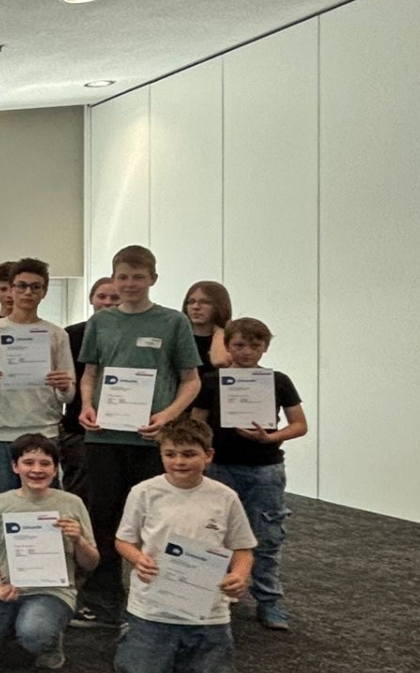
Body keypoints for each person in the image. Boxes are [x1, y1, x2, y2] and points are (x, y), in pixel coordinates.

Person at [76, 245, 202, 626]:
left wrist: (167, 416)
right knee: (104, 519)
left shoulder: (173, 322)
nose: (130, 284)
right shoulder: (101, 322)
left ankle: (162, 601)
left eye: (138, 277)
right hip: (104, 439)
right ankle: (102, 601)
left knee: (158, 521)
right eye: (123, 277)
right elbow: (91, 375)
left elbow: (191, 381)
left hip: (151, 442)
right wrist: (86, 405)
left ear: (153, 279)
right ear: (114, 279)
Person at [113, 416, 256, 673]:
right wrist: (137, 558)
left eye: (189, 454)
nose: (179, 462)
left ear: (208, 456)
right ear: (161, 455)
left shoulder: (225, 497)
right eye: (170, 454)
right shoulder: (144, 492)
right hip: (154, 602)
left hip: (209, 608)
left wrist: (239, 575)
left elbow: (243, 548)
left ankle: (177, 648)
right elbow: (123, 540)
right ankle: (132, 633)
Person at [198, 316, 308, 631]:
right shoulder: (211, 381)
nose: (247, 352)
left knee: (268, 536)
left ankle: (269, 603)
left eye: (255, 345)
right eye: (239, 345)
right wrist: (202, 457)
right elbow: (198, 424)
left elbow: (299, 424)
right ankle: (210, 596)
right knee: (213, 534)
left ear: (265, 348)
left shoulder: (278, 381)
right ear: (228, 346)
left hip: (265, 468)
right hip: (220, 468)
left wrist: (271, 437)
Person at [0, 435, 98, 671]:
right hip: (5, 589)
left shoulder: (72, 503)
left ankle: (48, 640)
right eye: (28, 462)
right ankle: (16, 627)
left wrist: (79, 540)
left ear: (55, 469)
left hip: (51, 590)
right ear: (15, 466)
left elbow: (91, 563)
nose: (37, 470)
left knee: (35, 634)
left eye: (45, 463)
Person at [0, 256, 77, 501]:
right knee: (0, 506)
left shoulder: (57, 334)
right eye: (21, 286)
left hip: (44, 430)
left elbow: (69, 393)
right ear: (12, 289)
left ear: (44, 292)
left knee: (45, 508)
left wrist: (62, 386)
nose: (27, 292)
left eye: (35, 287)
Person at [60, 276, 119, 499]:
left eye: (115, 297)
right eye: (101, 296)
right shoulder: (72, 335)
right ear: (91, 299)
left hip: (121, 425)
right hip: (79, 428)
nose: (107, 302)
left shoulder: (130, 336)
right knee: (79, 490)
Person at [182, 280, 234, 388]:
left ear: (219, 306)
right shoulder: (179, 337)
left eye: (205, 302)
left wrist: (220, 333)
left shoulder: (231, 338)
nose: (196, 307)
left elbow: (220, 361)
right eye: (191, 302)